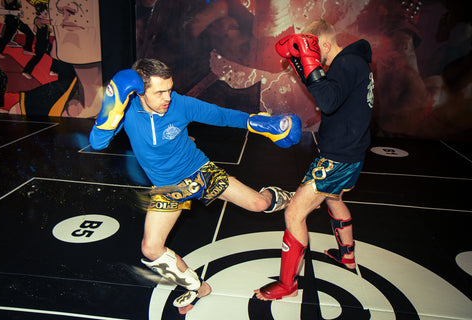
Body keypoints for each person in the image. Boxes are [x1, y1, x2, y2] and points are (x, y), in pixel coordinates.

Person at [89, 58, 301, 314]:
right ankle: (197, 287)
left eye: (169, 89)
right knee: (151, 248)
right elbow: (98, 143)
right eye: (160, 92)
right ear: (139, 92)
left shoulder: (180, 104)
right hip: (168, 187)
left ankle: (288, 197)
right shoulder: (128, 110)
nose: (168, 97)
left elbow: (221, 115)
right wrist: (110, 111)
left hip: (198, 172)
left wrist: (260, 124)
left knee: (258, 204)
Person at [254, 19, 374, 301]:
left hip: (338, 157)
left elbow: (328, 103)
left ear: (325, 45)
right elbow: (327, 94)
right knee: (334, 199)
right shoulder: (355, 63)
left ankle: (287, 285)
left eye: (310, 50)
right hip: (351, 151)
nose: (309, 57)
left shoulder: (346, 64)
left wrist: (307, 62)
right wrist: (300, 64)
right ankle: (347, 258)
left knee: (294, 214)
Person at [22, 3, 52, 79]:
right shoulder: (38, 20)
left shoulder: (42, 22)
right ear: (40, 12)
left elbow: (37, 29)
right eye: (45, 12)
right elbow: (45, 22)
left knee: (55, 56)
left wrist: (48, 31)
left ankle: (53, 70)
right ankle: (26, 71)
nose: (46, 13)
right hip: (41, 44)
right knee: (36, 58)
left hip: (46, 43)